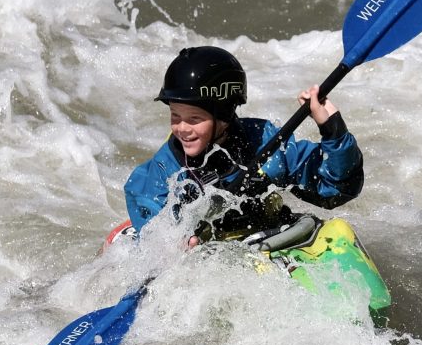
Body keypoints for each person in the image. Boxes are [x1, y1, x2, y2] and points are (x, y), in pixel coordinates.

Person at [123, 46, 364, 245]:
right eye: (175, 116)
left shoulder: (264, 143)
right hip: (210, 252)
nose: (182, 128)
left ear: (224, 116)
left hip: (272, 237)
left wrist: (332, 128)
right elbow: (149, 213)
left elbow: (335, 189)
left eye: (194, 119)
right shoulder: (168, 167)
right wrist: (173, 245)